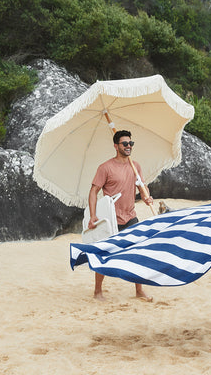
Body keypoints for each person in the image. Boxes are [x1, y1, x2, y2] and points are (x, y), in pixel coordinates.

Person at [88, 129, 154, 302]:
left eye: (130, 143)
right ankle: (97, 292)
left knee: (139, 252)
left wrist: (147, 197)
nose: (129, 146)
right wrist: (93, 215)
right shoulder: (105, 168)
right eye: (125, 144)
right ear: (116, 146)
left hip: (130, 216)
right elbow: (94, 191)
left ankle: (139, 291)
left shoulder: (135, 166)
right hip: (111, 219)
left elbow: (142, 186)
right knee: (105, 255)